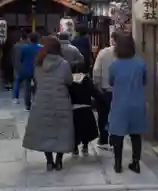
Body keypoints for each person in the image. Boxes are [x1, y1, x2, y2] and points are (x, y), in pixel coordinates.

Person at [22, 36, 74, 171]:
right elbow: (69, 81)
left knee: (45, 132)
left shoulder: (38, 64)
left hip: (42, 100)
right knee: (61, 131)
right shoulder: (64, 63)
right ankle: (59, 161)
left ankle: (49, 161)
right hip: (60, 101)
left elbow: (37, 81)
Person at [108, 32, 147, 174]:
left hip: (120, 104)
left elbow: (110, 82)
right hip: (137, 103)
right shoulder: (141, 63)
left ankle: (118, 164)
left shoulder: (114, 65)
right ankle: (135, 163)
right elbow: (145, 81)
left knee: (117, 135)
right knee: (136, 135)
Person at [92, 31, 117, 150]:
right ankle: (115, 139)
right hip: (119, 91)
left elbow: (96, 70)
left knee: (103, 116)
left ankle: (104, 139)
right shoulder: (125, 53)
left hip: (104, 90)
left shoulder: (103, 53)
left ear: (112, 39)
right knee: (116, 116)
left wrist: (97, 87)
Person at [69, 71, 99, 157]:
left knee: (75, 131)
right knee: (86, 131)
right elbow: (95, 93)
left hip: (74, 110)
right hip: (86, 109)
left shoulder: (69, 82)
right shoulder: (87, 81)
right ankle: (85, 147)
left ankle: (75, 149)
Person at [13, 32, 42, 110]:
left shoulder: (24, 48)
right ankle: (37, 103)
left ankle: (27, 105)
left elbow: (21, 59)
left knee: (27, 87)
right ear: (38, 39)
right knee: (38, 87)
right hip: (38, 70)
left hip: (27, 69)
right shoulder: (41, 48)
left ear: (29, 39)